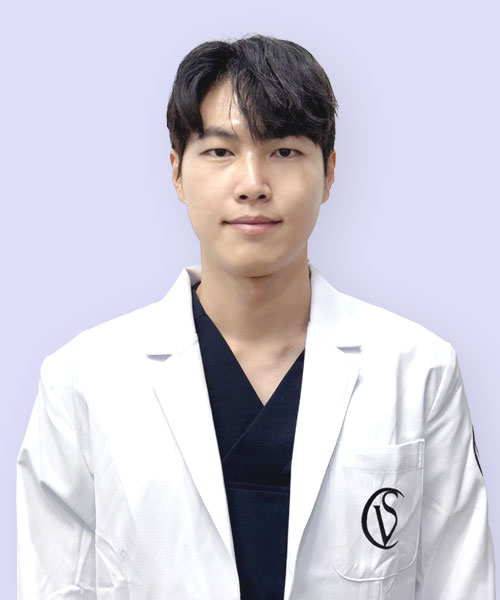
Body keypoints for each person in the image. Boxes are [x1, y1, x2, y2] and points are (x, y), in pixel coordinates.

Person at [16, 34, 495, 600]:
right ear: (176, 172)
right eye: (220, 152)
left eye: (284, 152)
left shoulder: (418, 371)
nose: (253, 185)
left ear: (329, 172)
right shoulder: (83, 379)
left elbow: (460, 584)